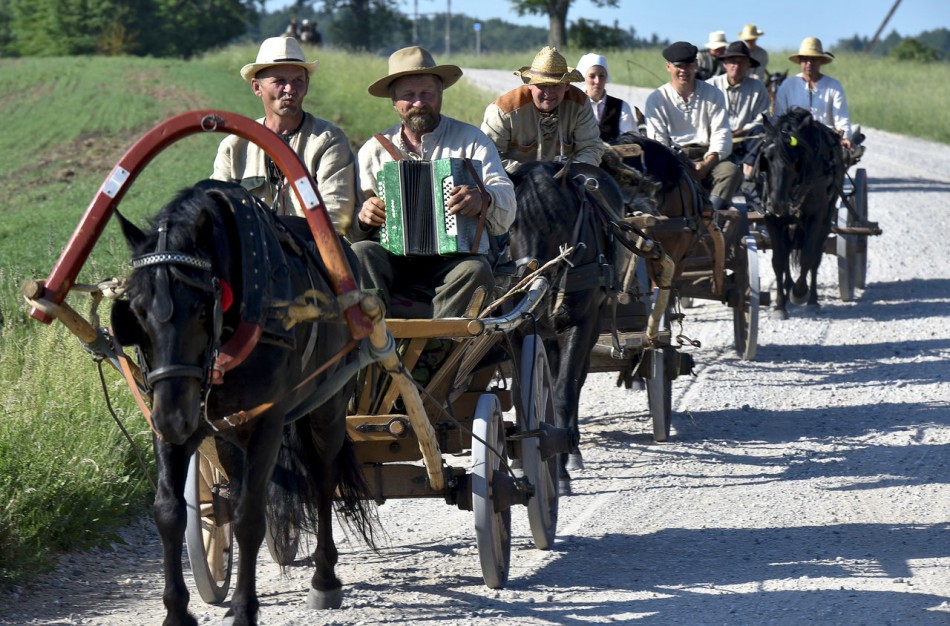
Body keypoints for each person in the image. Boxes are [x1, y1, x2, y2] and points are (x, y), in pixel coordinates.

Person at [351, 46, 516, 319]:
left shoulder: (471, 140)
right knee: (361, 253)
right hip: (394, 260)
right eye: (408, 95)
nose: (418, 102)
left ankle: (438, 346)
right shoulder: (374, 150)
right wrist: (364, 217)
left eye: (426, 93)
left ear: (440, 95)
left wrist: (484, 198)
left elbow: (507, 204)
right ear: (394, 102)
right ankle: (376, 339)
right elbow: (352, 227)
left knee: (476, 270)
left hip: (456, 260)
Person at [211, 37, 357, 237]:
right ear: (256, 87)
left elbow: (335, 215)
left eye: (298, 81)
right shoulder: (234, 146)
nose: (290, 89)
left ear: (307, 85)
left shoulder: (328, 140)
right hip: (252, 254)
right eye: (279, 81)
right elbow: (217, 211)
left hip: (312, 255)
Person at [645, 41, 741, 212]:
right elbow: (658, 141)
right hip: (673, 160)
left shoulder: (713, 94)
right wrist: (682, 165)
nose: (684, 70)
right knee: (654, 176)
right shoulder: (657, 99)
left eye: (688, 64)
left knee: (731, 171)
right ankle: (669, 219)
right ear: (668, 67)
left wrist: (706, 164)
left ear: (696, 64)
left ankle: (710, 216)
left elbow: (722, 134)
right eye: (678, 65)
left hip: (707, 158)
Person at [482, 46, 604, 172]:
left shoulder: (580, 104)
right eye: (542, 85)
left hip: (566, 179)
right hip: (515, 180)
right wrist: (532, 174)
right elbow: (488, 157)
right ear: (529, 84)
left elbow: (591, 147)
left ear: (567, 85)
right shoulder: (503, 110)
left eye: (555, 86)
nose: (548, 93)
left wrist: (571, 173)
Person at [774, 37, 853, 150]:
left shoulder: (833, 86)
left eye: (814, 59)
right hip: (794, 140)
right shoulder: (788, 85)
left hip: (826, 141)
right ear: (800, 61)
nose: (809, 63)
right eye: (805, 59)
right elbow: (778, 117)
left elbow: (842, 118)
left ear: (820, 61)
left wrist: (845, 137)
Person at [707, 41, 769, 172]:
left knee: (760, 130)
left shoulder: (757, 87)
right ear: (725, 64)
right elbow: (703, 116)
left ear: (748, 65)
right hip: (716, 137)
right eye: (732, 61)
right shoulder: (711, 85)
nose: (736, 66)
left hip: (747, 138)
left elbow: (762, 117)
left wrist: (740, 132)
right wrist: (723, 133)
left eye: (741, 62)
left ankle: (748, 173)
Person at [575, 53, 639, 142]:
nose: (597, 81)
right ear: (584, 77)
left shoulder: (621, 107)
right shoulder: (573, 105)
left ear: (606, 77)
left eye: (601, 76)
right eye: (592, 76)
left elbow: (631, 140)